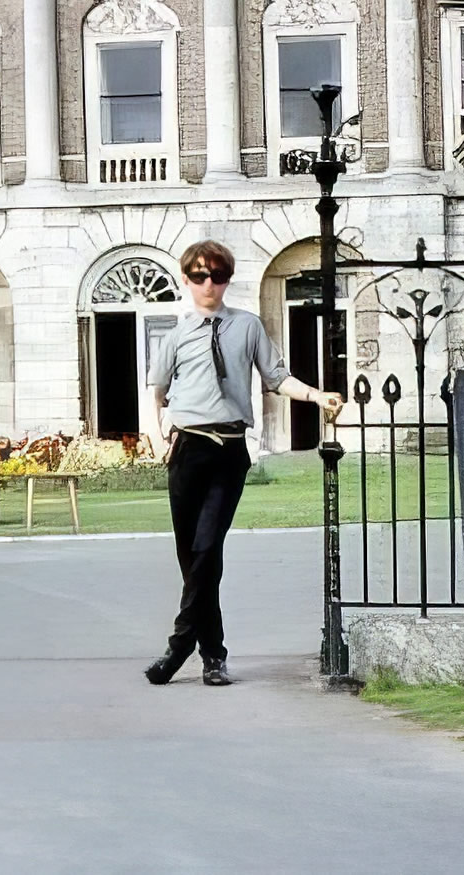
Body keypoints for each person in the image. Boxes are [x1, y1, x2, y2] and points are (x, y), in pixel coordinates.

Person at [143, 240, 344, 686]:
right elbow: (155, 392)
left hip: (228, 451)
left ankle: (179, 646)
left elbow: (277, 377)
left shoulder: (247, 326)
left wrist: (316, 396)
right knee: (194, 559)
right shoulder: (176, 335)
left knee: (207, 548)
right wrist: (157, 438)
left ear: (227, 280)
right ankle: (213, 657)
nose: (208, 284)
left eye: (217, 276)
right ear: (187, 280)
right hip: (188, 449)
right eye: (200, 276)